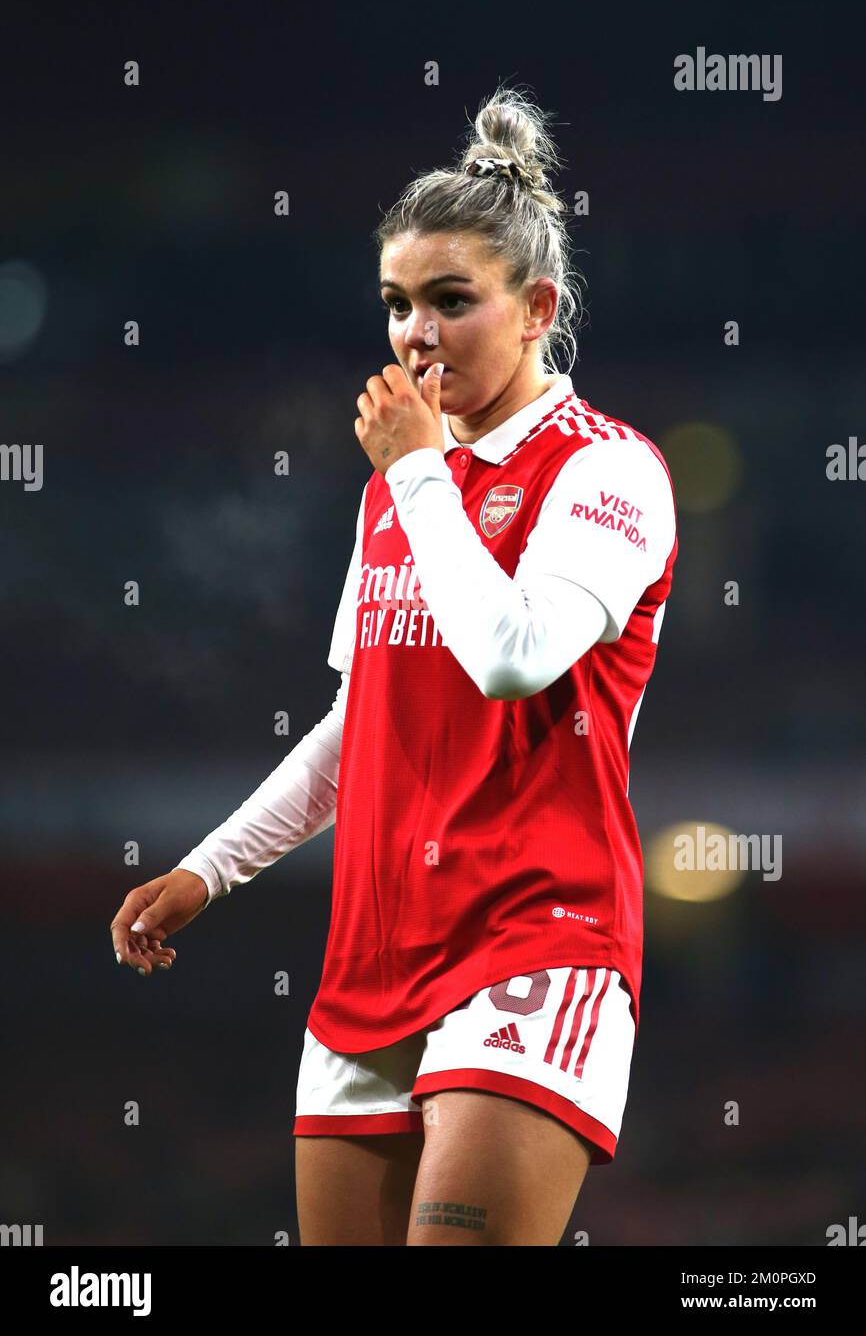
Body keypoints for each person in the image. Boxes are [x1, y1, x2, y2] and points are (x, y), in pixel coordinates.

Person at [110, 85, 678, 1246]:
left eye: (448, 302)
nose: (414, 335)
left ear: (536, 309)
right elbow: (352, 723)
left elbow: (514, 660)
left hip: (533, 935)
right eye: (395, 305)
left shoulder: (607, 471)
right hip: (372, 951)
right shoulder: (392, 494)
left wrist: (420, 478)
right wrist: (208, 871)